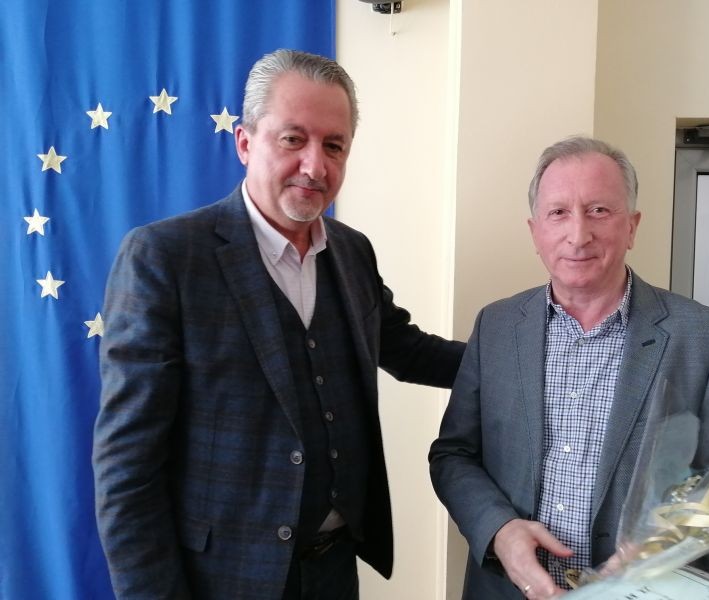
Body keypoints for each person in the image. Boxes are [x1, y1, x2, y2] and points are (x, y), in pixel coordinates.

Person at [93, 49, 465, 600]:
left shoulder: (352, 251)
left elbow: (407, 349)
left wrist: (531, 354)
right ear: (245, 143)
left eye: (334, 145)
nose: (315, 166)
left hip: (334, 571)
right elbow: (127, 469)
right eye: (293, 139)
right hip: (220, 581)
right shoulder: (165, 257)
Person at [428, 136, 709, 599]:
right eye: (558, 213)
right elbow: (454, 455)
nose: (578, 234)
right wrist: (500, 531)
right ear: (535, 232)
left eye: (599, 211)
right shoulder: (497, 326)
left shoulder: (706, 338)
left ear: (632, 226)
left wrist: (661, 562)